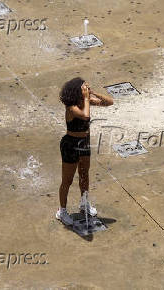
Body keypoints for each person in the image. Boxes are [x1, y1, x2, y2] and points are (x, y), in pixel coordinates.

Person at [56, 77, 114, 225]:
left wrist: (95, 93)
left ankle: (84, 203)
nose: (87, 89)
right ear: (78, 91)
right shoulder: (71, 107)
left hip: (84, 143)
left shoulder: (85, 102)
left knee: (84, 174)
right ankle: (62, 211)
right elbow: (86, 116)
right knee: (67, 180)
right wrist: (88, 99)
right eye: (84, 87)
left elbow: (109, 102)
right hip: (70, 144)